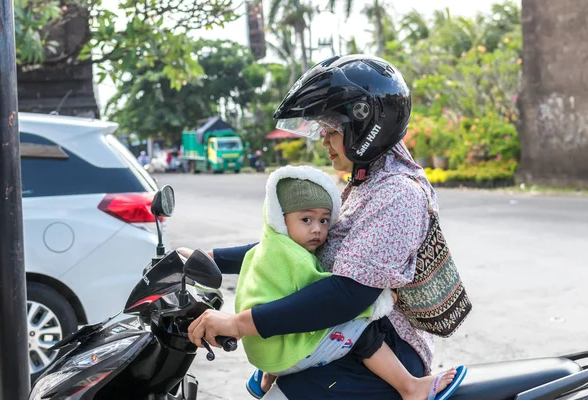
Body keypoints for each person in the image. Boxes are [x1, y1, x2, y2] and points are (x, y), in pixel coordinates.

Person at [182, 54, 469, 400]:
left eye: (332, 130)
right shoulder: (365, 185)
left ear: (366, 128)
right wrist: (207, 259)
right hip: (344, 337)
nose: (324, 141)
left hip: (385, 347)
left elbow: (347, 296)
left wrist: (238, 323)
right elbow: (292, 247)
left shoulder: (398, 194)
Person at [235, 164, 457, 399]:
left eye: (323, 221)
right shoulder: (298, 259)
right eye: (307, 219)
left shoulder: (269, 248)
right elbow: (336, 298)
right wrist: (379, 301)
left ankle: (268, 376)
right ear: (281, 219)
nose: (317, 230)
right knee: (361, 325)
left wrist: (211, 257)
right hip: (283, 349)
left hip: (266, 349)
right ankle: (410, 387)